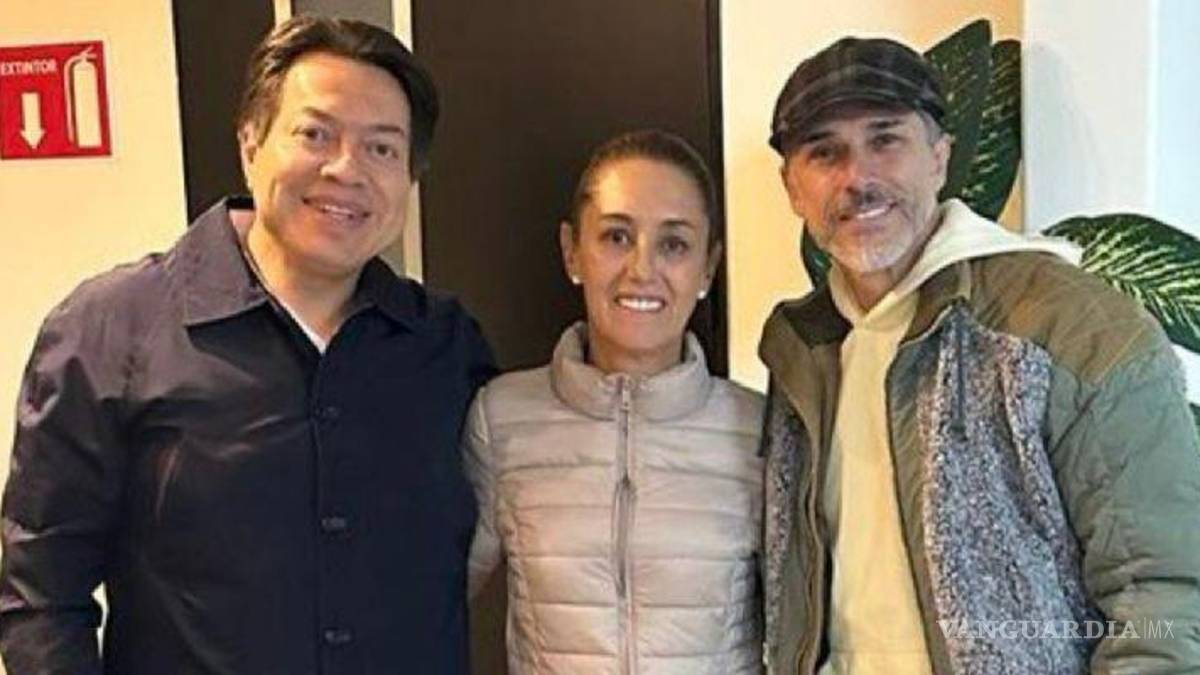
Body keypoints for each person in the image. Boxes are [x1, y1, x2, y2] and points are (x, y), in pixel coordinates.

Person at [0, 16, 493, 674]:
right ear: (250, 143)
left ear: (409, 177)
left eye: (382, 148)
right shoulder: (112, 328)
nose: (346, 169)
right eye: (315, 134)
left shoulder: (445, 345)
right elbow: (40, 594)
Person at [758, 36, 1200, 674]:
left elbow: (1162, 592)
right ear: (792, 188)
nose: (857, 178)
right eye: (825, 152)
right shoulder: (803, 351)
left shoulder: (1070, 326)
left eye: (886, 140)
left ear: (939, 158)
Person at [464, 130, 765, 673]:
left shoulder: (758, 430)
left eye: (674, 244)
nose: (642, 269)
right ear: (572, 252)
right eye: (617, 237)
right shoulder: (501, 419)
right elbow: (425, 603)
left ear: (707, 267)